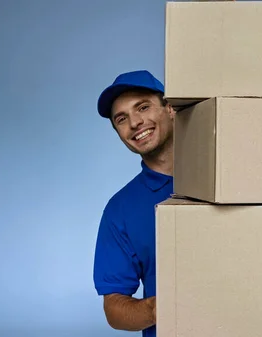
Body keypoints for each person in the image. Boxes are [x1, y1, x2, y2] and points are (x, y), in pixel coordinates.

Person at [92, 70, 175, 337]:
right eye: (122, 119)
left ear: (170, 108)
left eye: (143, 107)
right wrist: (162, 308)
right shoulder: (120, 210)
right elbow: (115, 308)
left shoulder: (227, 179)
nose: (135, 123)